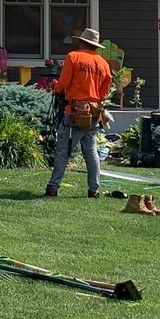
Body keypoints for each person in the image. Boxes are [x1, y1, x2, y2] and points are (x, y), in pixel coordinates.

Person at [45, 27, 114, 197]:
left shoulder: (73, 57)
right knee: (91, 152)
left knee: (63, 150)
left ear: (82, 42)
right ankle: (94, 189)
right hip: (94, 112)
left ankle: (53, 187)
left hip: (75, 111)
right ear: (95, 46)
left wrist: (57, 90)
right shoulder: (103, 64)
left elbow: (63, 83)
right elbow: (105, 90)